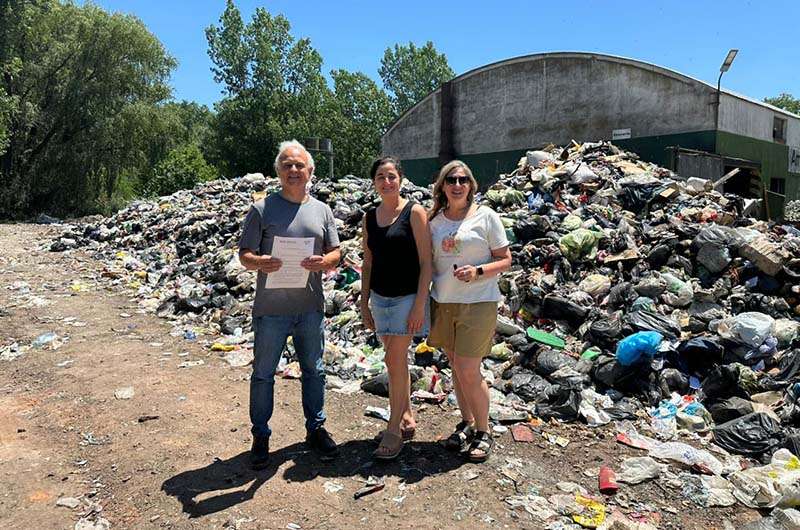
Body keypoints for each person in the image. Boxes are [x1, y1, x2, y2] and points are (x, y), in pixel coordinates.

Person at [238, 140, 341, 469]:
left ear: (311, 171)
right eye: (287, 165)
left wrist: (324, 261)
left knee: (314, 371)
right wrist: (261, 262)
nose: (294, 170)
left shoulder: (322, 210)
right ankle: (261, 435)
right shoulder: (262, 210)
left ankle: (315, 429)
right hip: (271, 311)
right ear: (278, 171)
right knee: (263, 375)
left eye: (300, 165)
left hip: (310, 307)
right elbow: (244, 255)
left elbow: (337, 252)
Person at [427, 160, 512, 462]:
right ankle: (467, 423)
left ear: (471, 184)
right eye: (451, 179)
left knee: (468, 369)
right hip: (444, 302)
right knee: (455, 367)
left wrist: (477, 271)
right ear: (443, 186)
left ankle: (484, 431)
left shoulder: (486, 216)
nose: (458, 184)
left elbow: (505, 259)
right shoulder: (434, 221)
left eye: (463, 179)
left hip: (478, 302)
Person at [360, 157, 432, 460]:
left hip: (406, 299)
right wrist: (364, 303)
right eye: (380, 177)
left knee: (393, 357)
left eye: (391, 176)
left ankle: (393, 430)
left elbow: (427, 261)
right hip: (381, 298)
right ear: (374, 182)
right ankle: (406, 414)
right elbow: (368, 261)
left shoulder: (414, 212)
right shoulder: (369, 217)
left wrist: (419, 305)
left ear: (400, 178)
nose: (386, 182)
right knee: (395, 362)